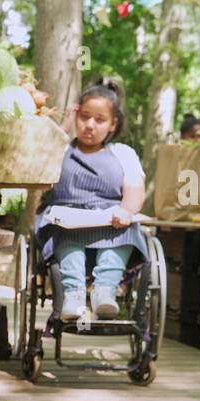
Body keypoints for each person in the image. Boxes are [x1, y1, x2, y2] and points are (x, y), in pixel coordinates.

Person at [38, 79, 148, 322]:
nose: (89, 125)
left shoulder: (123, 153)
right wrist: (64, 127)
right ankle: (74, 295)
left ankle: (105, 292)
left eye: (99, 120)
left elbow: (134, 187)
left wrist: (126, 211)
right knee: (66, 235)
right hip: (68, 220)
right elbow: (38, 162)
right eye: (84, 117)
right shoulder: (61, 149)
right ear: (76, 115)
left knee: (127, 231)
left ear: (112, 124)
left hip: (111, 219)